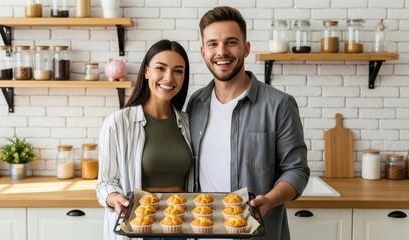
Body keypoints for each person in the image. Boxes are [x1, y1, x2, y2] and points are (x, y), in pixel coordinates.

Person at [186, 6, 310, 240]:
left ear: (246, 48)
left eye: (231, 42)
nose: (221, 52)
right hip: (201, 233)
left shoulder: (279, 104)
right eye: (213, 44)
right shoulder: (196, 103)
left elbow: (297, 170)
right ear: (203, 52)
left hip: (257, 234)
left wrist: (270, 199)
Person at [96, 39, 194, 240]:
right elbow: (105, 182)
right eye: (161, 68)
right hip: (139, 227)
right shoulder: (118, 122)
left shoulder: (187, 122)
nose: (169, 77)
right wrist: (115, 199)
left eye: (178, 71)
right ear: (147, 71)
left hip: (180, 226)